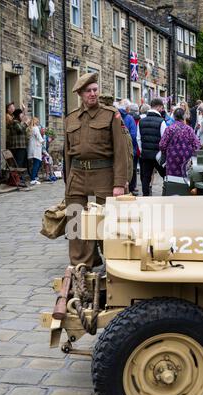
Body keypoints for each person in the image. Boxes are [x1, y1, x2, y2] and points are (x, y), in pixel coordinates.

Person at [64, 72, 128, 268]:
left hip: (103, 175)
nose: (92, 94)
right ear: (81, 94)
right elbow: (67, 153)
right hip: (77, 175)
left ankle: (113, 261)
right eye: (88, 91)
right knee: (75, 220)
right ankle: (80, 264)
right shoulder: (71, 118)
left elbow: (121, 151)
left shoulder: (111, 115)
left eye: (95, 90)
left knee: (106, 221)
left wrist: (119, 183)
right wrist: (68, 181)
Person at [159, 108, 201, 195]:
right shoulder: (189, 129)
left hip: (172, 160)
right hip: (186, 160)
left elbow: (162, 145)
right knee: (185, 179)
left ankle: (172, 194)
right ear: (184, 117)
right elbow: (197, 145)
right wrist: (191, 154)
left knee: (172, 179)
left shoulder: (169, 129)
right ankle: (184, 195)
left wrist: (167, 152)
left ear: (174, 117)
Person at [137, 98, 167, 196]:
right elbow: (165, 139)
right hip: (158, 155)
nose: (162, 110)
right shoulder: (161, 121)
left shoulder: (141, 121)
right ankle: (165, 193)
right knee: (165, 175)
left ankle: (146, 197)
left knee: (145, 178)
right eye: (162, 108)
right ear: (159, 107)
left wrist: (142, 150)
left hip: (145, 155)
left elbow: (138, 138)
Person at [118, 99, 138, 194]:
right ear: (127, 108)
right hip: (129, 148)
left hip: (117, 148)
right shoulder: (129, 118)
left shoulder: (114, 116)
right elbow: (134, 135)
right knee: (131, 168)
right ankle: (131, 188)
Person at [8, 108, 30, 185]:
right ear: (18, 115)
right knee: (18, 163)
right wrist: (26, 123)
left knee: (22, 163)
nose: (22, 116)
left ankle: (20, 178)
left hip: (22, 146)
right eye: (21, 115)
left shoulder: (19, 122)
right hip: (18, 146)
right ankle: (18, 179)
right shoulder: (15, 122)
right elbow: (20, 130)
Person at [28, 117, 44, 185]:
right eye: (37, 121)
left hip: (33, 148)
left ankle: (35, 176)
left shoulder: (31, 128)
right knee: (37, 163)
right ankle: (33, 179)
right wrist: (43, 141)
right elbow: (39, 136)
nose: (38, 122)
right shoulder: (35, 128)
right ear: (35, 122)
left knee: (37, 162)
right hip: (36, 148)